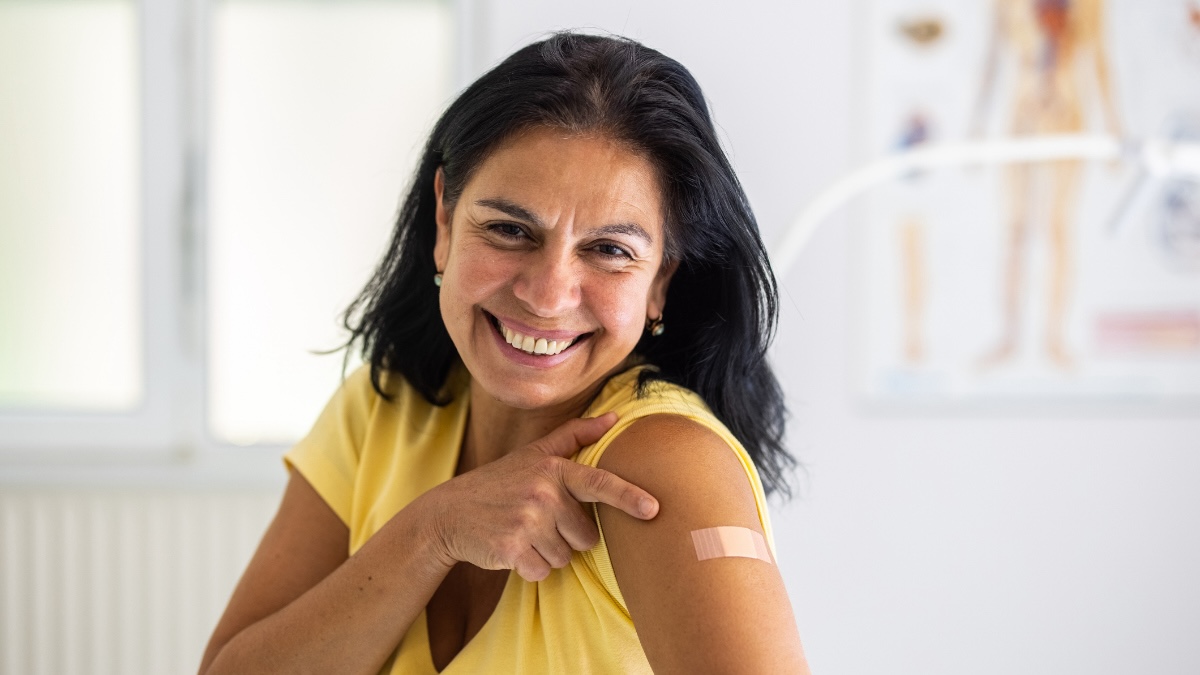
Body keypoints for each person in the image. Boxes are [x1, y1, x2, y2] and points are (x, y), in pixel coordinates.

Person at [199, 32, 810, 674]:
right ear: (444, 222)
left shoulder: (664, 463)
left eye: (609, 251)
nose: (547, 296)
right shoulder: (381, 406)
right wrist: (431, 532)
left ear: (661, 280)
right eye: (510, 230)